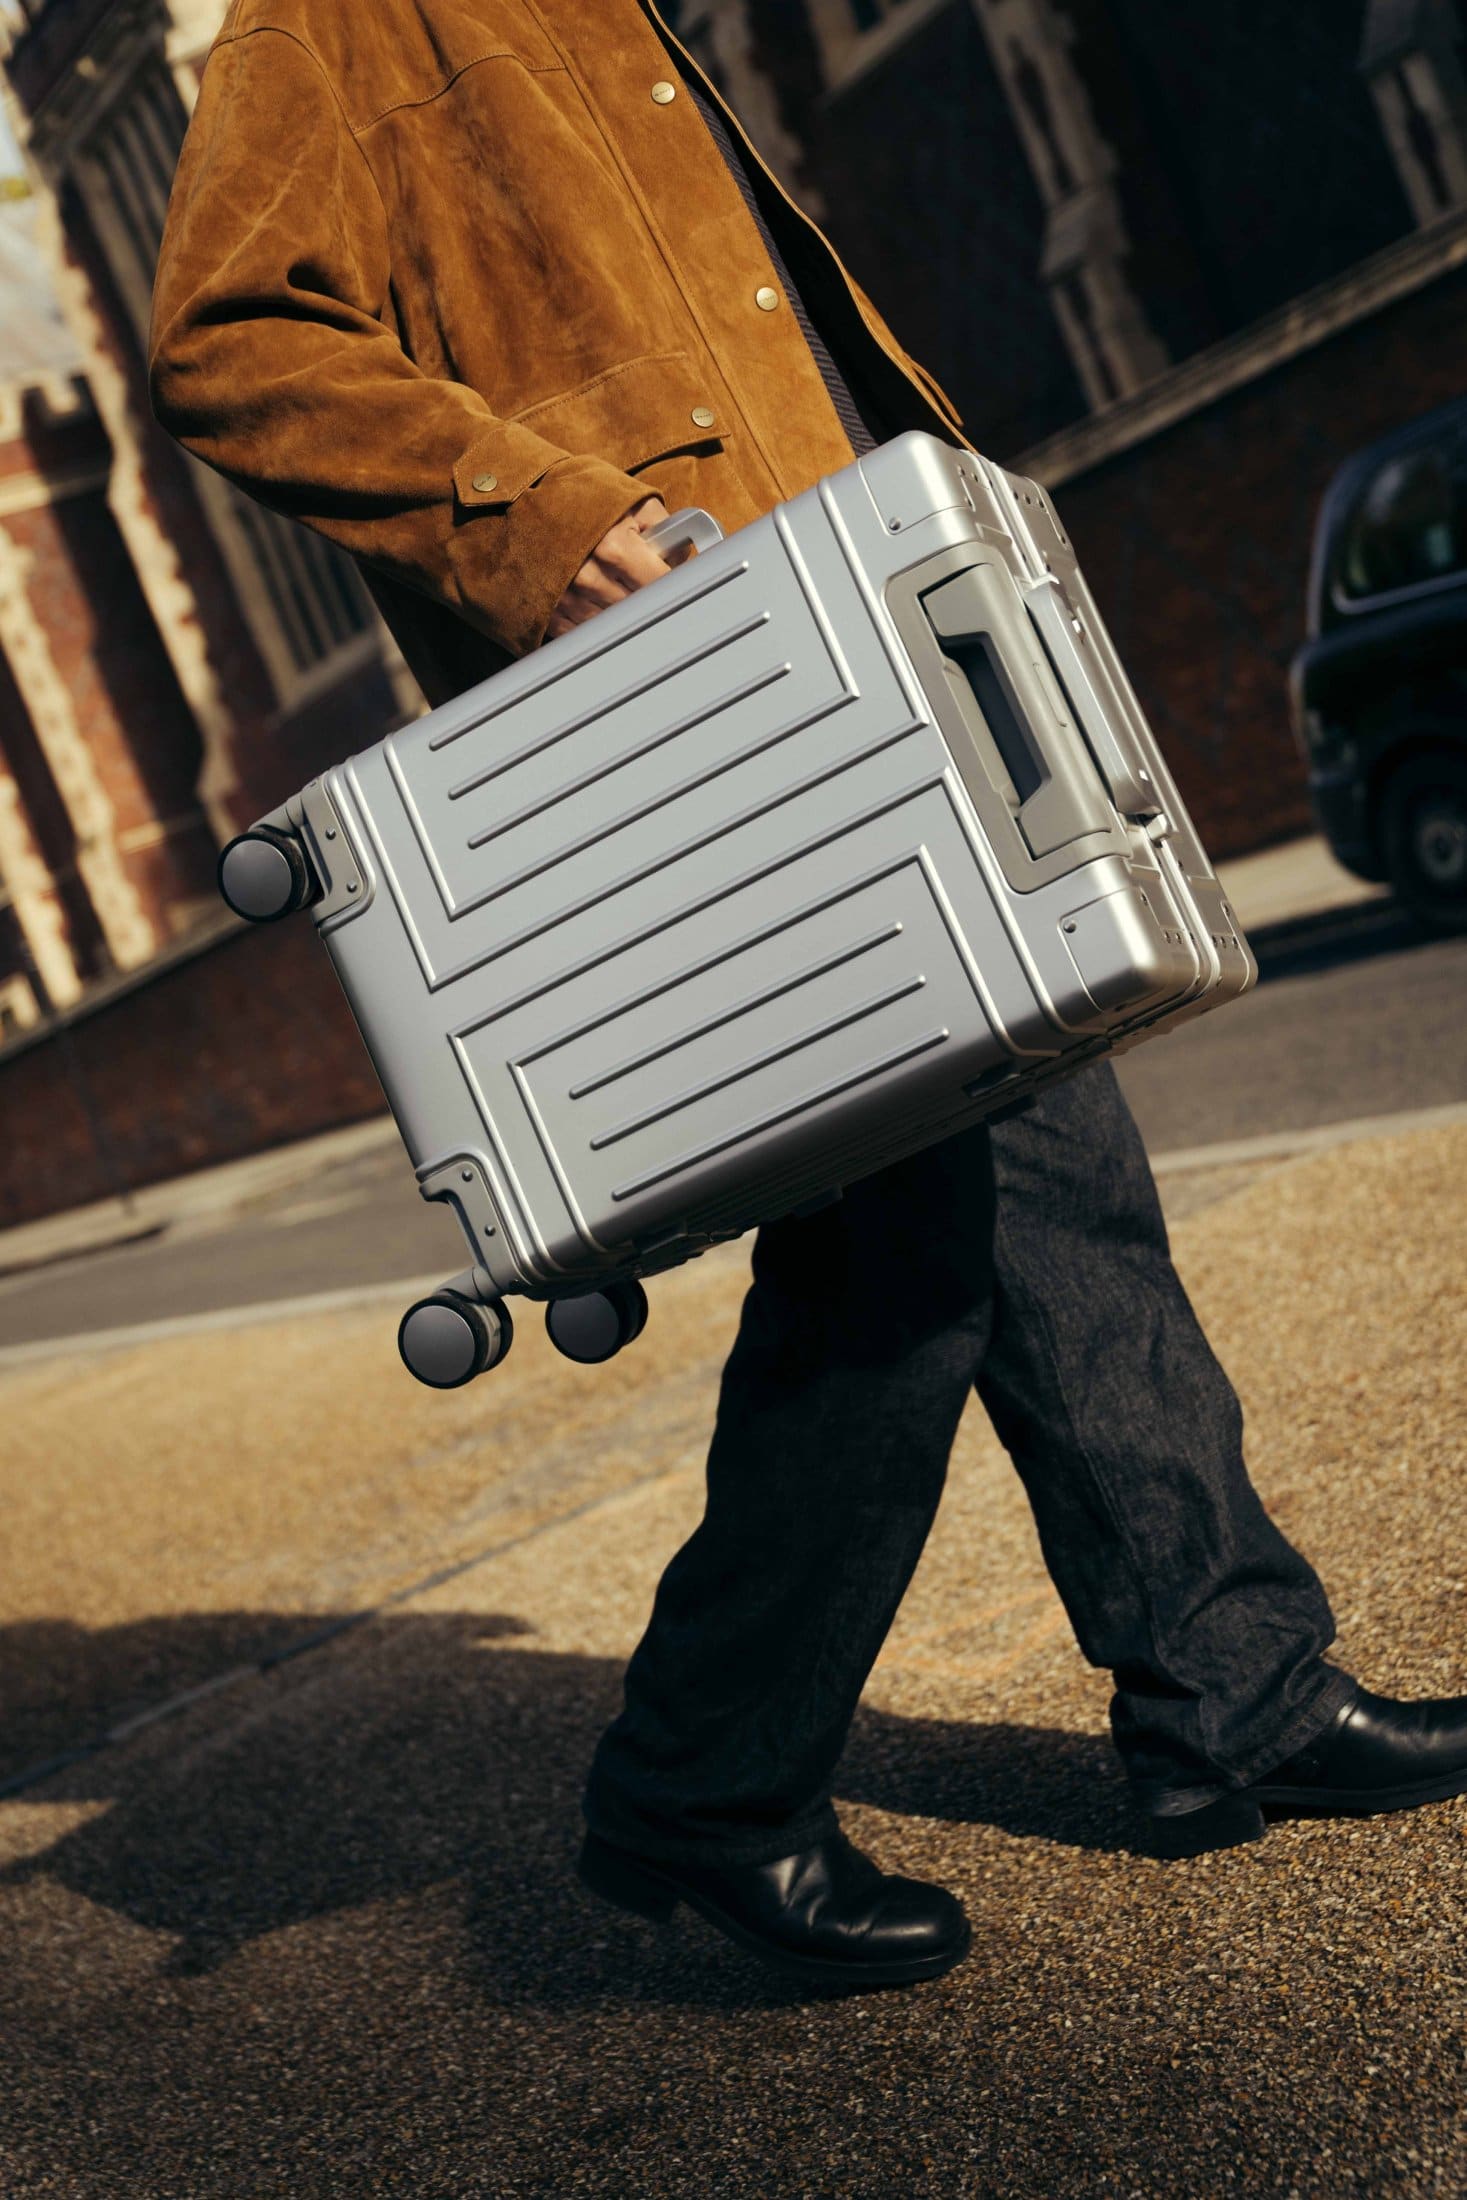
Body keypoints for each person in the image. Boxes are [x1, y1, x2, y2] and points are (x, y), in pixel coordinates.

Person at [150, 0, 1467, 1992]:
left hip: (846, 645)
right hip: (706, 695)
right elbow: (227, 336)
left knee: (1053, 1165)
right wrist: (540, 515)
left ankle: (1230, 1685)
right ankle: (701, 1782)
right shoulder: (326, 14)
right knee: (894, 1245)